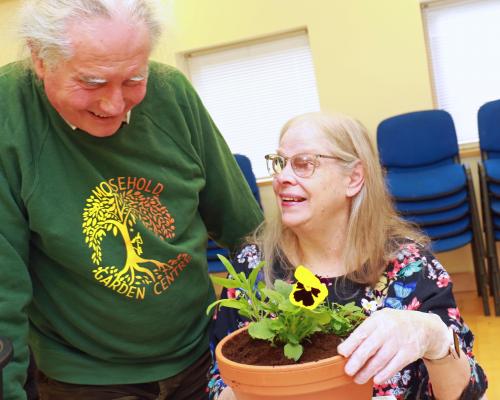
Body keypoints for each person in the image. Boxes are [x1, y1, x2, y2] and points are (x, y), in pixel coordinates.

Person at [0, 1, 263, 399]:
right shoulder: (9, 114)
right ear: (39, 59)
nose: (113, 104)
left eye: (134, 79)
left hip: (202, 351)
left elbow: (246, 230)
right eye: (91, 82)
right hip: (85, 375)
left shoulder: (172, 93)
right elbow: (4, 285)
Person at [208, 112, 488, 400]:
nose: (282, 177)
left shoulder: (411, 269)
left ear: (353, 178)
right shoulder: (253, 266)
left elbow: (468, 394)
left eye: (303, 164)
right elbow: (218, 378)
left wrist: (434, 337)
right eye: (280, 163)